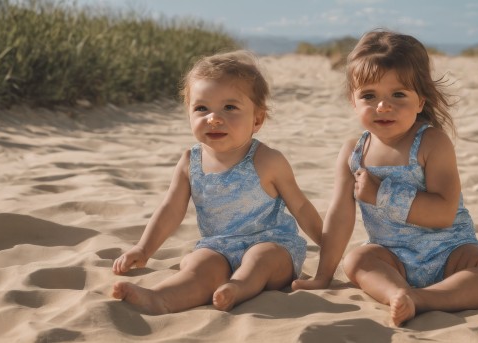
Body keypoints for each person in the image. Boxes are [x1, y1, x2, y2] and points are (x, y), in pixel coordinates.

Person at [292, 30, 478, 326]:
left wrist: (381, 195)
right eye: (369, 95)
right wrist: (323, 275)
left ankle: (424, 298)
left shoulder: (432, 143)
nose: (383, 106)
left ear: (420, 101)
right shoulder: (354, 152)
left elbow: (443, 213)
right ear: (353, 101)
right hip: (393, 259)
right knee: (358, 260)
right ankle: (397, 293)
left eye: (398, 94)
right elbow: (340, 217)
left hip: (451, 252)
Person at [112, 50, 322, 314]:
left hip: (273, 244)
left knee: (260, 259)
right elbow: (171, 210)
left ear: (257, 119)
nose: (213, 118)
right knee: (199, 267)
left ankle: (238, 288)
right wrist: (143, 248)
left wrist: (327, 244)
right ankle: (160, 298)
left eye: (230, 107)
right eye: (202, 108)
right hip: (218, 246)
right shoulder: (190, 162)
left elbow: (300, 207)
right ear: (189, 114)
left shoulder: (268, 160)